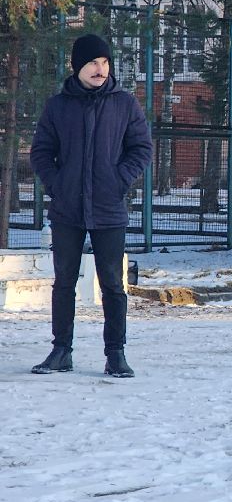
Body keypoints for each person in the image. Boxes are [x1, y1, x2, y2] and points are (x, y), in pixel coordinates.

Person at [29, 34, 153, 378]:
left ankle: (116, 353)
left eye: (105, 63)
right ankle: (61, 350)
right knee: (64, 282)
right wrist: (58, 185)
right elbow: (40, 152)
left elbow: (141, 148)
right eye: (92, 63)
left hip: (109, 209)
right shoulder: (58, 106)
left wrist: (119, 181)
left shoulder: (125, 104)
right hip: (67, 210)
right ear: (77, 67)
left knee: (112, 283)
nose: (100, 69)